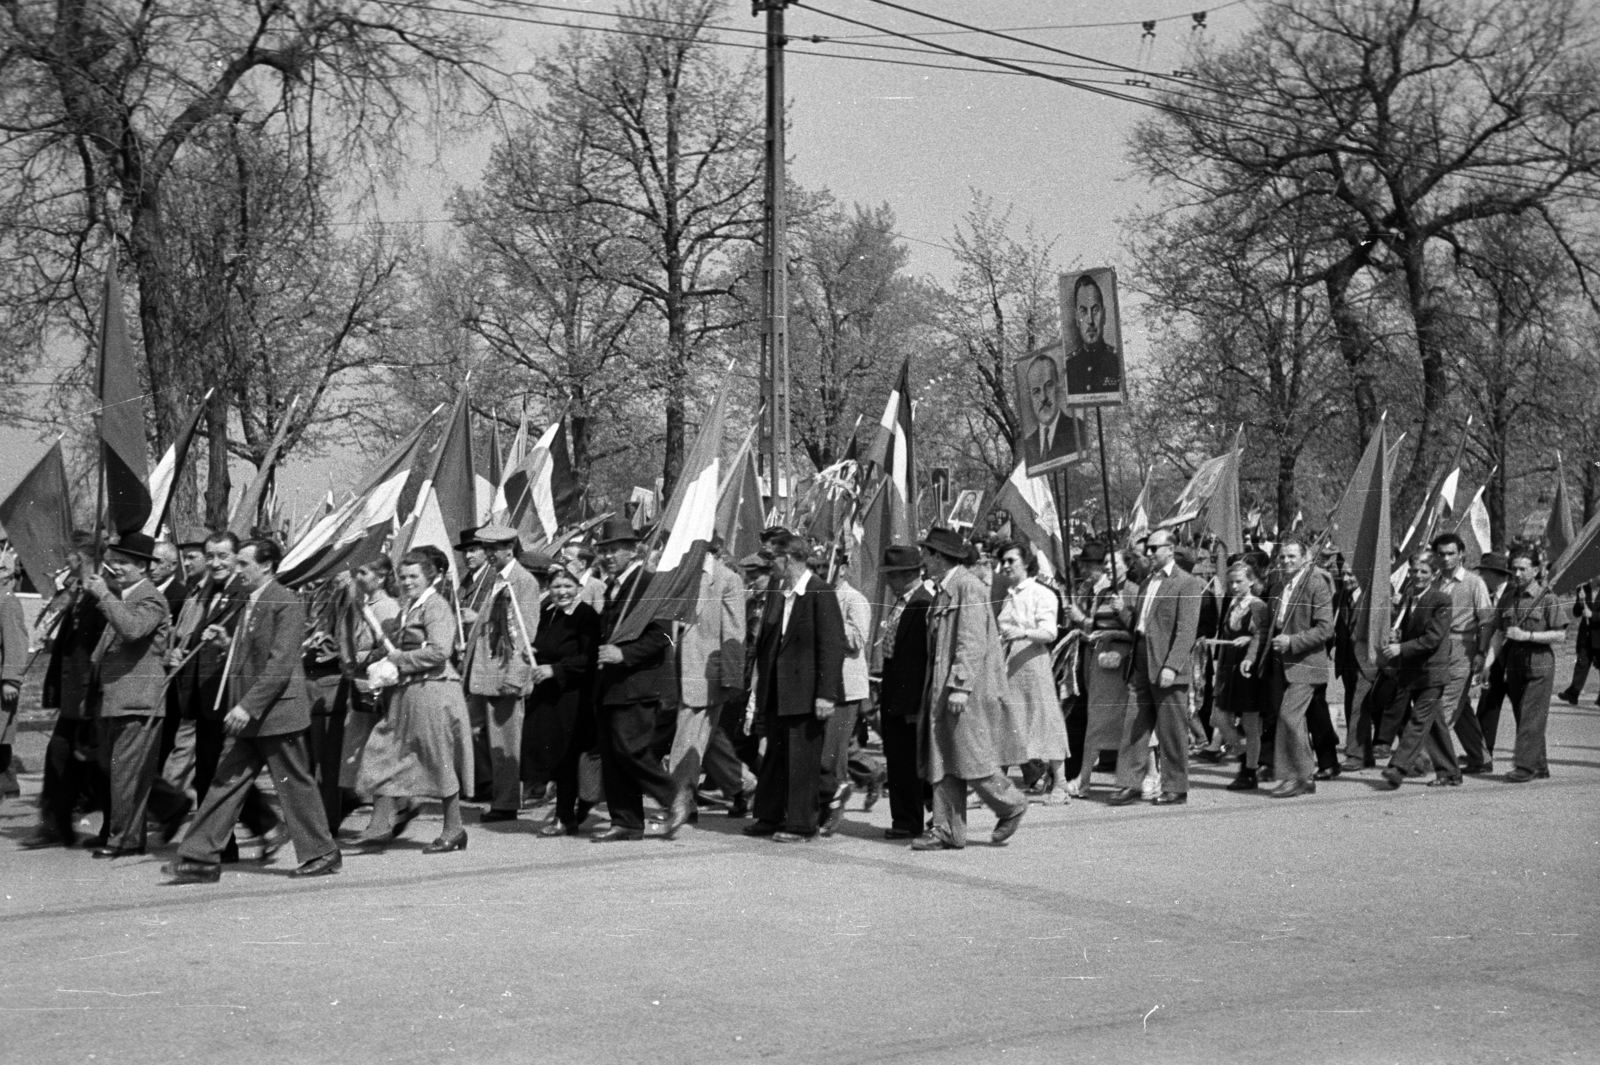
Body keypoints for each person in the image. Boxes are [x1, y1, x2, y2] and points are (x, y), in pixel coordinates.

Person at [163, 539, 342, 882]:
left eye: (244, 564)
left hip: (275, 714)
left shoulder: (285, 601)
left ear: (267, 566)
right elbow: (254, 655)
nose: (236, 569)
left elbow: (280, 665)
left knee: (294, 784)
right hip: (252, 715)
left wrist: (247, 706)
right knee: (224, 783)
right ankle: (199, 857)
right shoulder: (250, 602)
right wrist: (225, 644)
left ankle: (322, 852)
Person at [351, 549, 475, 853]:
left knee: (438, 759)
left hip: (433, 691)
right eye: (402, 577)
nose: (406, 582)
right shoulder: (410, 607)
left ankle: (453, 828)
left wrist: (399, 658)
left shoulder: (436, 606)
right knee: (384, 751)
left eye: (413, 576)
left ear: (429, 577)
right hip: (408, 692)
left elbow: (439, 651)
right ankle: (381, 823)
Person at [912, 527, 1028, 850]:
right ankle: (947, 829)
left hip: (968, 690)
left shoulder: (968, 587)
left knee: (970, 757)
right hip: (944, 687)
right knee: (945, 755)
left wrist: (960, 685)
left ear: (938, 557)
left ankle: (1011, 803)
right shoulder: (946, 589)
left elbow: (971, 640)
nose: (922, 558)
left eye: (926, 553)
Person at [591, 519, 691, 842]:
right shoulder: (612, 586)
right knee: (612, 753)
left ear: (633, 550)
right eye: (604, 550)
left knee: (630, 749)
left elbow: (662, 634)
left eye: (615, 550)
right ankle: (626, 821)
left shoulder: (647, 583)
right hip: (612, 685)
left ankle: (673, 793)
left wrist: (624, 655)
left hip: (638, 683)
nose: (608, 556)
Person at [744, 532, 846, 843]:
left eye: (773, 559)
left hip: (806, 693)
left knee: (802, 759)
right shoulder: (779, 591)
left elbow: (832, 646)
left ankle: (802, 824)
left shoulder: (819, 591)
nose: (769, 565)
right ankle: (769, 814)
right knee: (775, 756)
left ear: (789, 559)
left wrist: (826, 694)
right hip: (777, 691)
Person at [78, 532, 174, 857]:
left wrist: (104, 595)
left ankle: (125, 840)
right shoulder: (125, 597)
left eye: (124, 563)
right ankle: (121, 833)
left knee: (126, 775)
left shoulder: (149, 599)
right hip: (117, 699)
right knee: (117, 772)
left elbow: (131, 630)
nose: (116, 567)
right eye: (114, 561)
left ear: (143, 567)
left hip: (137, 701)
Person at [1106, 529, 1203, 806]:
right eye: (1147, 548)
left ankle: (1176, 786)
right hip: (1141, 661)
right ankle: (1128, 783)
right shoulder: (1148, 581)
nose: (1148, 553)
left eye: (1153, 548)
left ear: (1170, 549)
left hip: (1167, 665)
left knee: (1172, 730)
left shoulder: (1187, 583)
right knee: (1134, 726)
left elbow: (1186, 631)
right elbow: (1140, 623)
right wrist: (1122, 610)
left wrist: (1172, 666)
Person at [24, 533, 108, 849]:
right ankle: (56, 825)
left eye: (71, 556)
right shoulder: (79, 591)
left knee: (98, 764)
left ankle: (165, 805)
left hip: (90, 694)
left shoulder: (102, 593)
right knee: (61, 756)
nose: (66, 561)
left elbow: (99, 648)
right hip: (75, 694)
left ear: (83, 558)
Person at [459, 524, 541, 823]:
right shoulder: (497, 579)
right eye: (487, 549)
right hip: (484, 674)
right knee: (473, 733)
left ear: (510, 548)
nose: (489, 554)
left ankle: (506, 803)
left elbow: (526, 632)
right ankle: (489, 789)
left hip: (505, 676)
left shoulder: (523, 582)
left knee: (505, 743)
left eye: (495, 549)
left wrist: (517, 676)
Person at [668, 544, 752, 819]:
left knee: (688, 738)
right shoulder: (673, 572)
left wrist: (730, 679)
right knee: (708, 739)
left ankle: (680, 803)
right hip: (673, 673)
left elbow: (734, 632)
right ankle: (744, 786)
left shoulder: (727, 579)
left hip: (705, 674)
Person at [524, 566, 601, 835]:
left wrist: (555, 669)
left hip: (572, 697)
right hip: (548, 695)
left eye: (568, 586)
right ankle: (567, 811)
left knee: (566, 757)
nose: (562, 592)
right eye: (556, 587)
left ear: (579, 588)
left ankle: (565, 817)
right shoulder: (549, 612)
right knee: (553, 755)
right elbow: (547, 647)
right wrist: (532, 654)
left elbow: (589, 657)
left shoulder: (586, 615)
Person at [1259, 537, 1336, 798]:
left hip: (1306, 661)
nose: (1286, 561)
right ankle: (1305, 776)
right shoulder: (1280, 585)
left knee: (1288, 716)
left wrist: (1292, 641)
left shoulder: (1316, 583)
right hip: (1282, 661)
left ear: (1304, 558)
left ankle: (1295, 777)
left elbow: (1326, 628)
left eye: (1292, 556)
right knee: (1295, 721)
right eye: (1282, 557)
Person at [995, 540, 1069, 803]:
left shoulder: (1042, 593)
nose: (1004, 567)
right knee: (1007, 722)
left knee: (1045, 721)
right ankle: (997, 788)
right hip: (1010, 663)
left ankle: (1061, 784)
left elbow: (1050, 632)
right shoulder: (1009, 595)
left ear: (1026, 563)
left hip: (1033, 661)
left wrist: (1023, 632)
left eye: (1010, 561)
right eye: (1002, 562)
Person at [1378, 550, 1459, 789]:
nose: (1418, 575)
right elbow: (1409, 629)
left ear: (1434, 574)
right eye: (1414, 570)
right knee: (1434, 724)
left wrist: (1401, 648)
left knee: (1419, 719)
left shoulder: (1441, 600)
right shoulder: (1409, 596)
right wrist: (1397, 635)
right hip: (1412, 672)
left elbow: (1432, 639)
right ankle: (1450, 772)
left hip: (1432, 672)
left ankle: (1398, 766)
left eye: (1424, 571)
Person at [333, 558, 401, 821]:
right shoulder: (362, 604)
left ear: (381, 577)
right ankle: (355, 797)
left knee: (372, 747)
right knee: (357, 745)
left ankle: (394, 806)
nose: (357, 577)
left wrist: (360, 656)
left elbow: (389, 646)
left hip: (375, 684)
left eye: (363, 572)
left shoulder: (386, 607)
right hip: (359, 682)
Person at [875, 545, 932, 839]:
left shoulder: (923, 603)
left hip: (909, 697)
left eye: (892, 575)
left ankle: (909, 821)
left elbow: (921, 658)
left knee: (908, 762)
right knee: (898, 760)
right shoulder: (901, 602)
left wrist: (914, 704)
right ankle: (907, 818)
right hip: (893, 691)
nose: (887, 582)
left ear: (909, 574)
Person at [1494, 547, 1565, 783]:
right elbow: (1497, 630)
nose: (1517, 573)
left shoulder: (1547, 598)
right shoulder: (1508, 596)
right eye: (1514, 568)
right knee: (1522, 713)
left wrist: (1528, 636)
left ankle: (1524, 767)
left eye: (1523, 569)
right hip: (1513, 660)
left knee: (1530, 715)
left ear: (1535, 570)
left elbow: (1559, 635)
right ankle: (1539, 765)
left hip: (1539, 660)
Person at [1430, 533, 1495, 774]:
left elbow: (1486, 621)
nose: (1446, 559)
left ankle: (1422, 757)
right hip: (1436, 649)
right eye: (1441, 554)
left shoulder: (1473, 582)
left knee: (1445, 705)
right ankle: (1480, 757)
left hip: (1463, 647)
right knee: (1461, 706)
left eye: (1451, 554)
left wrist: (1481, 652)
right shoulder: (1434, 582)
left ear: (1461, 554)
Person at [818, 551, 870, 835]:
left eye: (828, 566)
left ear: (841, 570)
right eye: (819, 566)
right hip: (822, 685)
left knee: (833, 755)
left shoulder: (853, 599)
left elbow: (857, 640)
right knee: (822, 752)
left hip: (846, 689)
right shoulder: (817, 596)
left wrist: (828, 621)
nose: (823, 571)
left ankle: (832, 812)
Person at [1212, 560, 1271, 791]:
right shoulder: (1233, 604)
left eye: (1239, 582)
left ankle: (1249, 772)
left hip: (1248, 669)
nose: (1234, 586)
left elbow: (1262, 634)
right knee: (1219, 717)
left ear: (1251, 582)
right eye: (1231, 582)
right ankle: (1244, 755)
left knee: (1250, 723)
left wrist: (1249, 646)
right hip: (1229, 668)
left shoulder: (1257, 606)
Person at [1064, 273, 1122, 398]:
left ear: (1104, 315)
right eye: (1083, 311)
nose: (1090, 320)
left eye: (1095, 310)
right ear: (1076, 317)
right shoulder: (1068, 367)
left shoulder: (1116, 361)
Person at [1019, 352, 1079, 471]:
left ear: (1058, 386)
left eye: (1048, 385)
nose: (1043, 397)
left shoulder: (1077, 431)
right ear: (1030, 397)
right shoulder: (1029, 445)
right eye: (1036, 391)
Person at [1557, 583, 1598, 706]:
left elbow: (1591, 614)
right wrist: (1580, 602)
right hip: (1586, 635)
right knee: (1582, 662)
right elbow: (1576, 613)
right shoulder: (1583, 588)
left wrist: (1593, 616)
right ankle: (1573, 693)